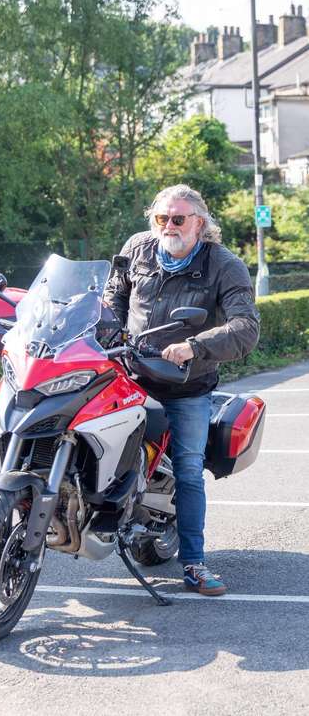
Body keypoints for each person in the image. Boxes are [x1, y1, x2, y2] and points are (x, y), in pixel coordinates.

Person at [104, 184, 260, 596]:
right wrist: (105, 329)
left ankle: (193, 563)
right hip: (130, 372)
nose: (169, 226)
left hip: (185, 385)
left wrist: (195, 346)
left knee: (189, 469)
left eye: (178, 219)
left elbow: (246, 328)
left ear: (200, 224)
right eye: (162, 218)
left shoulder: (223, 264)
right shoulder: (138, 247)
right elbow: (114, 295)